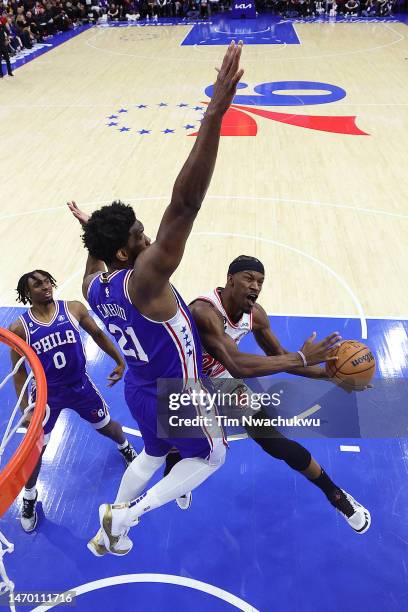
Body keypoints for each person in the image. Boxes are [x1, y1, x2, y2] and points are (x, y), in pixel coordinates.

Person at [66, 42, 251, 558]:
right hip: (178, 391)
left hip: (141, 390)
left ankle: (110, 531)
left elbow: (98, 261)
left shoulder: (95, 287)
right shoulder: (144, 279)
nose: (151, 240)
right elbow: (186, 203)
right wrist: (215, 111)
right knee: (212, 458)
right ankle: (129, 515)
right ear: (129, 252)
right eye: (141, 237)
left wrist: (92, 232)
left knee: (150, 454)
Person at [187, 255, 371, 534]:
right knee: (177, 440)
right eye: (249, 278)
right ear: (230, 279)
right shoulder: (204, 311)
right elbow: (239, 363)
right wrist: (300, 357)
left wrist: (331, 376)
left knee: (274, 442)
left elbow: (280, 358)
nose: (256, 286)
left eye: (260, 281)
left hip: (221, 379)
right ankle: (176, 478)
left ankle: (335, 494)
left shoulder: (255, 315)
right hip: (184, 379)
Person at [9, 270, 137, 533]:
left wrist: (119, 360)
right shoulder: (20, 328)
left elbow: (99, 336)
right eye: (37, 284)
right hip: (46, 396)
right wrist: (27, 410)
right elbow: (20, 372)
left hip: (80, 386)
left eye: (47, 282)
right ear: (27, 293)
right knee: (36, 450)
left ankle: (124, 446)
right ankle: (30, 496)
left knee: (106, 426)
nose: (45, 287)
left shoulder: (73, 309)